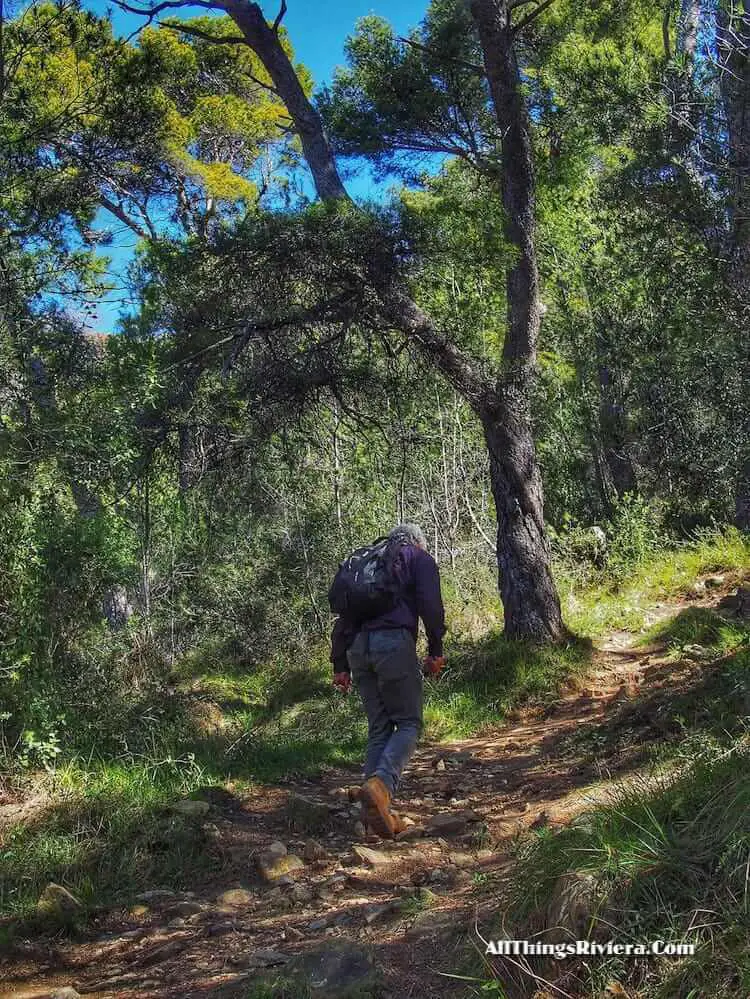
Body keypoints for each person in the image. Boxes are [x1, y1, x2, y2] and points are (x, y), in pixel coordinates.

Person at [330, 523, 446, 838]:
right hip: (392, 644)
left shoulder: (368, 567)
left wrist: (339, 664)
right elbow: (431, 605)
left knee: (380, 727)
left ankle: (374, 814)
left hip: (357, 649)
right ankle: (380, 786)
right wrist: (435, 650)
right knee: (408, 723)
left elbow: (344, 620)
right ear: (417, 543)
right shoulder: (417, 558)